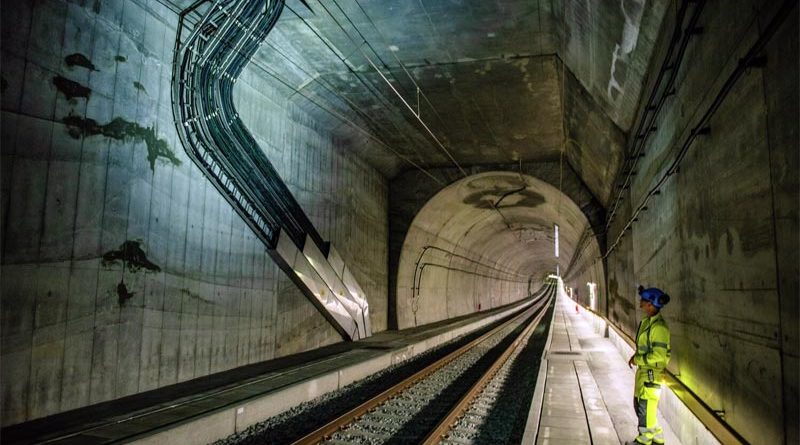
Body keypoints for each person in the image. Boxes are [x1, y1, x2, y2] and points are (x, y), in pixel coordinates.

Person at [626, 285, 671, 445]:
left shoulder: (659, 328)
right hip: (645, 372)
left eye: (643, 300)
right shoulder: (648, 323)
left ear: (651, 304)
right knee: (643, 406)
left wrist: (638, 359)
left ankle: (643, 441)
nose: (640, 302)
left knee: (644, 408)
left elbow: (659, 355)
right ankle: (657, 439)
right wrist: (636, 357)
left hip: (651, 373)